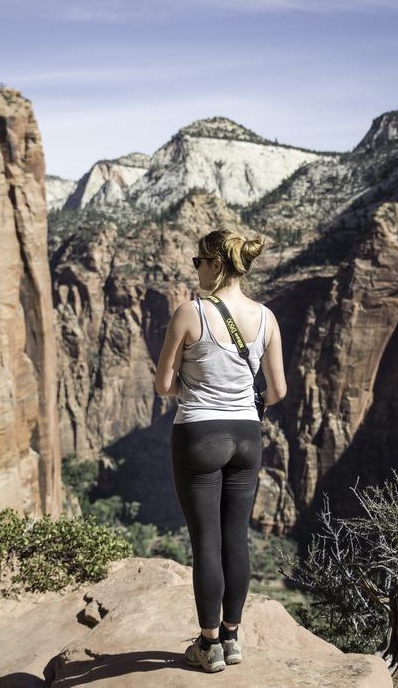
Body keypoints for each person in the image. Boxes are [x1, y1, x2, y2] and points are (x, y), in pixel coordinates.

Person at [153, 228, 287, 673]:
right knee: (236, 539)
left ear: (215, 264)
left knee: (206, 541)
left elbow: (163, 384)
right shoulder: (266, 317)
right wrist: (244, 400)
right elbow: (278, 390)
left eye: (198, 261)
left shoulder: (191, 313)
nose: (196, 268)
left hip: (198, 435)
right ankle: (232, 637)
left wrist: (197, 386)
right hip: (248, 436)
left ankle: (208, 645)